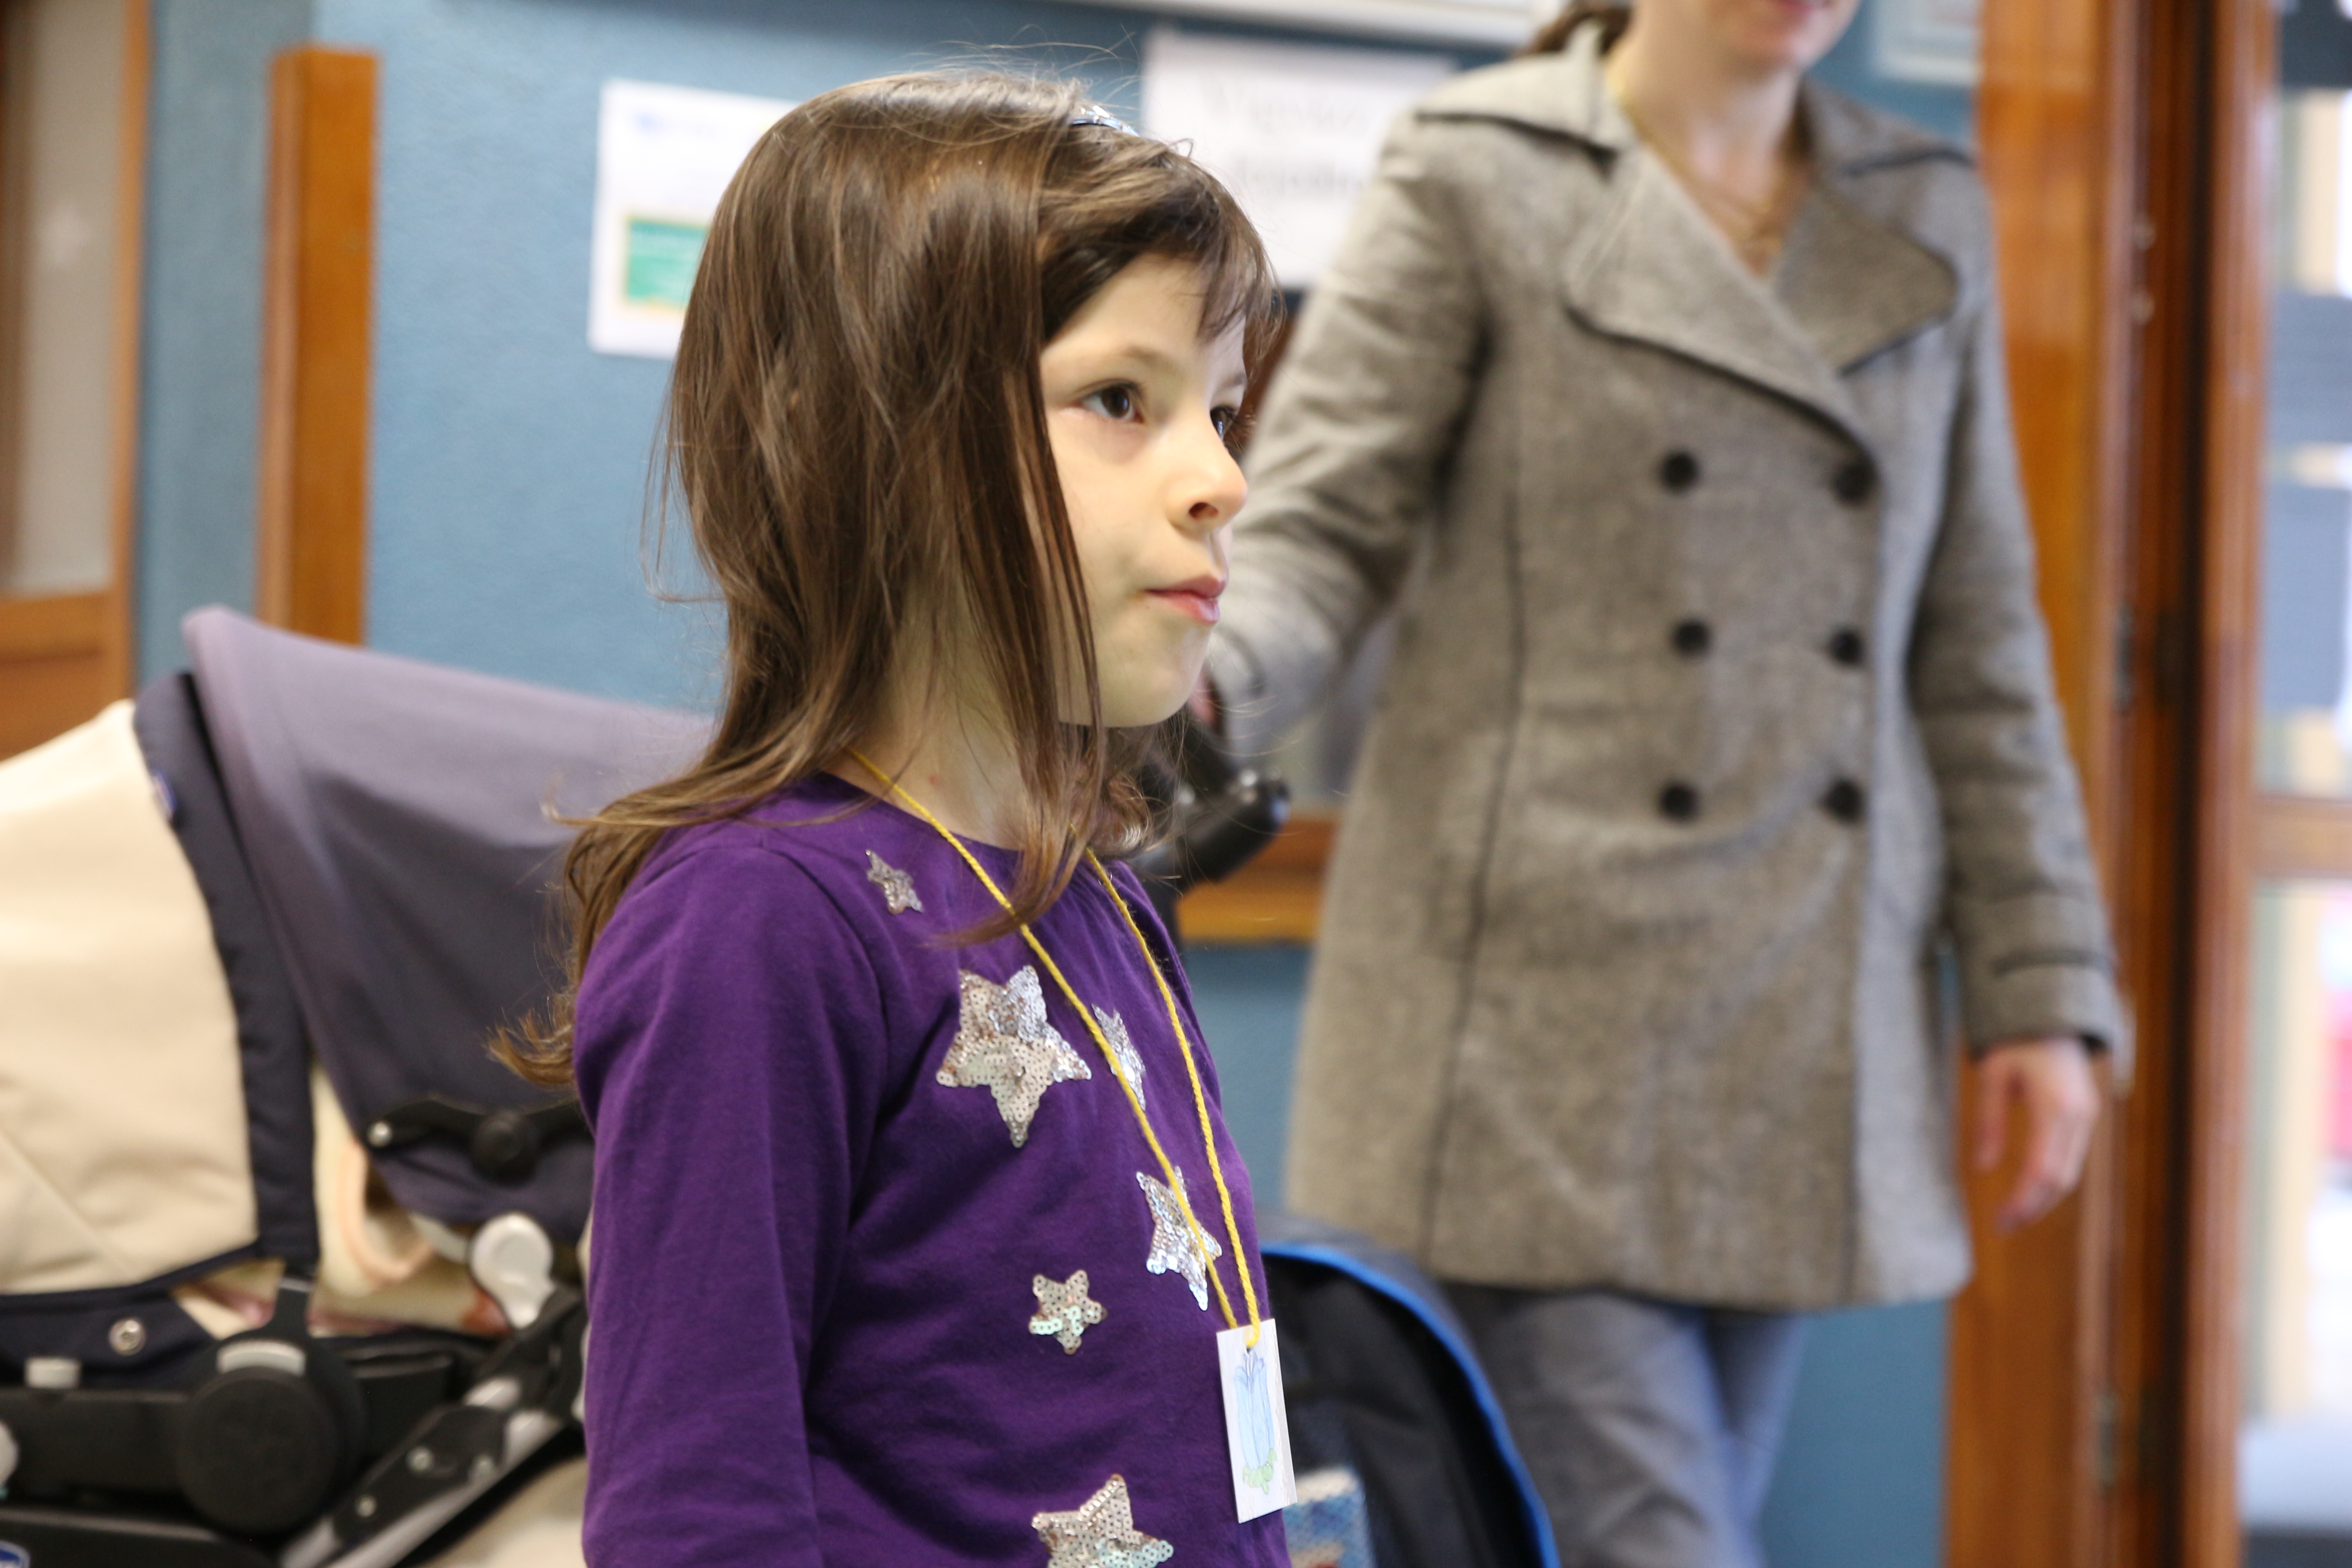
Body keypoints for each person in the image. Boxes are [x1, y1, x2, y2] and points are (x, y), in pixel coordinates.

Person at [1204, 2, 2122, 1564]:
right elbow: (1318, 530)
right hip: (1528, 1036)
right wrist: (1192, 689)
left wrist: (2042, 986)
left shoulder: (1920, 204)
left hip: (1802, 1018)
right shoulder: (1482, 168)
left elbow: (1974, 633)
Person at [503, 74, 1289, 1567]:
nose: (1222, 480)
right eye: (1122, 401)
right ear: (881, 440)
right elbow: (697, 1523)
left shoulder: (1096, 895)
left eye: (1223, 410)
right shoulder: (756, 925)